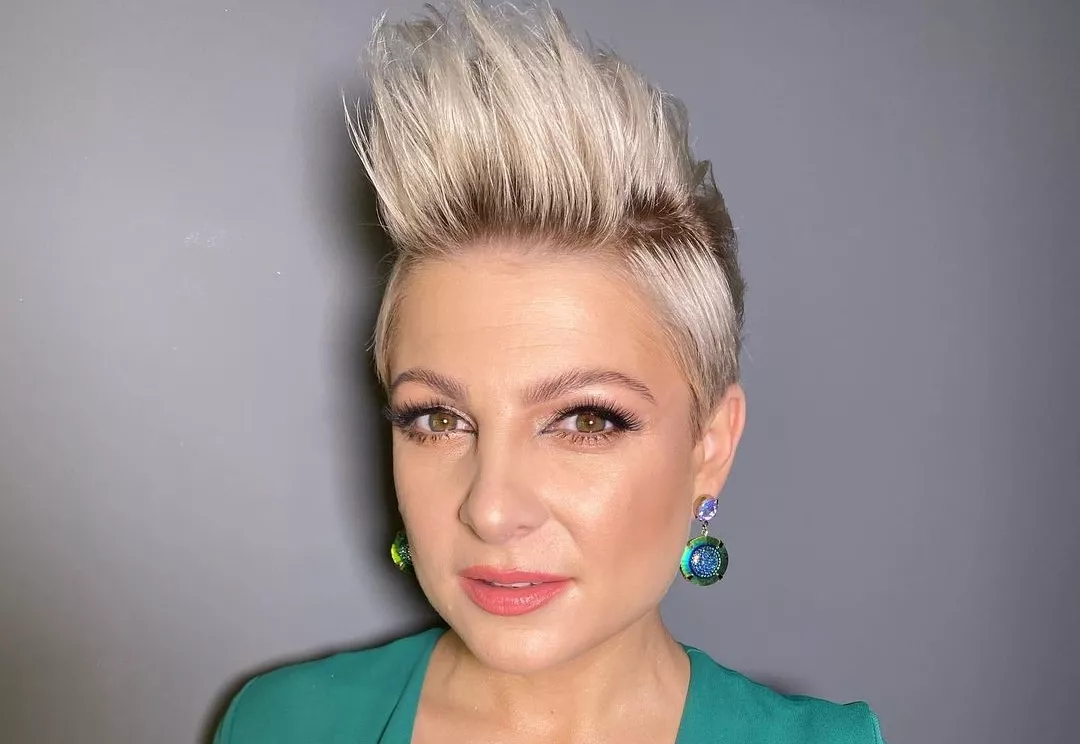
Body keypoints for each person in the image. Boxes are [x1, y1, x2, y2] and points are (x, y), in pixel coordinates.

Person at [212, 2, 885, 742]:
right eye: (437, 419)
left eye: (585, 420)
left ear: (710, 447)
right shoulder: (279, 723)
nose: (491, 510)